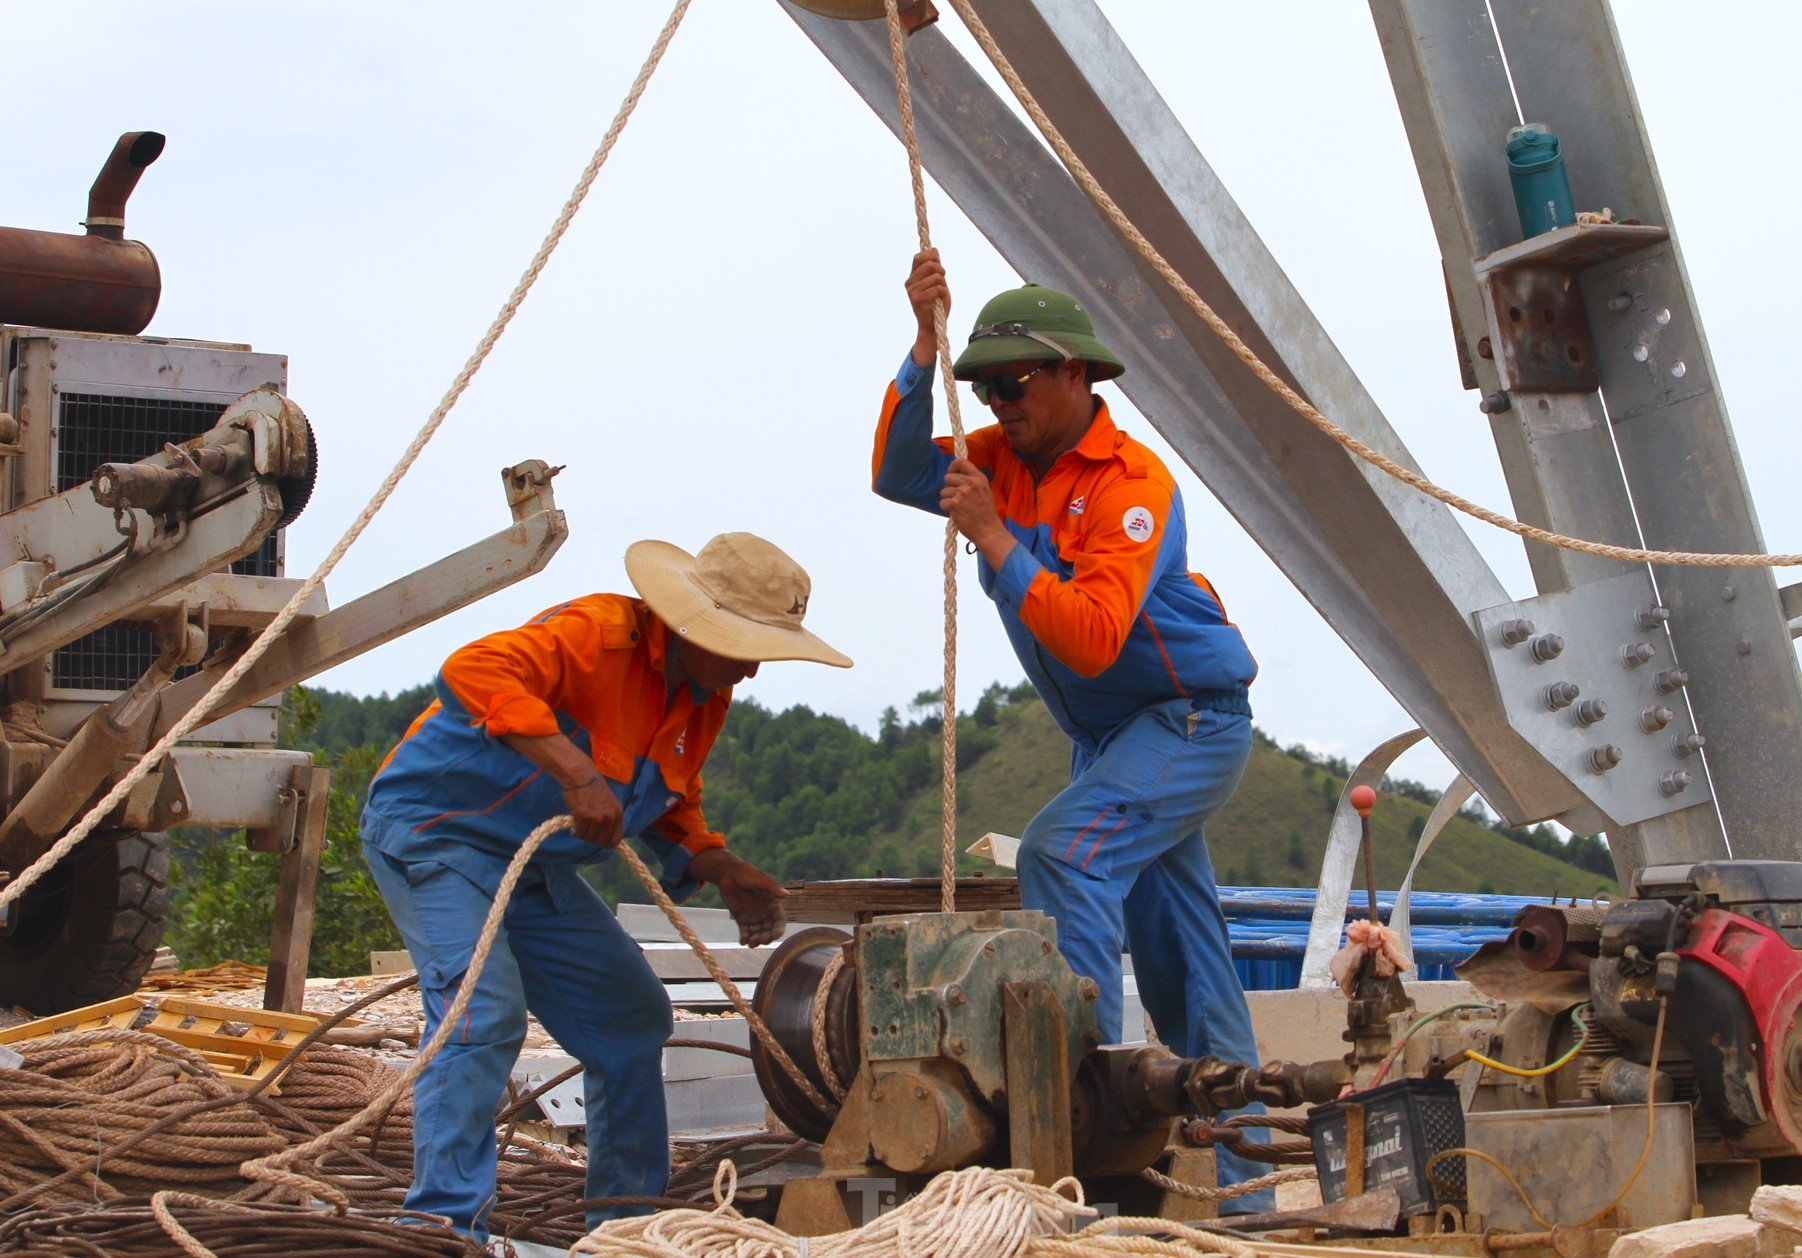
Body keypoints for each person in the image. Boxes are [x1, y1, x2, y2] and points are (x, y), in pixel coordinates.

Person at [869, 249, 1274, 1210]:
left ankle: (1089, 1132)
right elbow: (893, 471)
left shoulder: (1134, 487)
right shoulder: (998, 463)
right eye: (985, 386)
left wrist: (996, 538)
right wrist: (924, 346)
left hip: (1185, 722)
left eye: (1015, 382)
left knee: (1065, 857)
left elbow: (1093, 639)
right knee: (1183, 960)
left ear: (1074, 375)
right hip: (1113, 739)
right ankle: (1253, 1199)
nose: (999, 402)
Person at [360, 532, 851, 1240]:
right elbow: (472, 671)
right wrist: (577, 773)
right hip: (438, 836)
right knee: (482, 1017)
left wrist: (717, 864)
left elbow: (669, 802)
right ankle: (443, 1228)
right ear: (691, 625)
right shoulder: (595, 635)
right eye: (744, 645)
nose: (750, 669)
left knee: (630, 1019)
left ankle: (625, 1227)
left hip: (537, 866)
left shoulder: (704, 699)